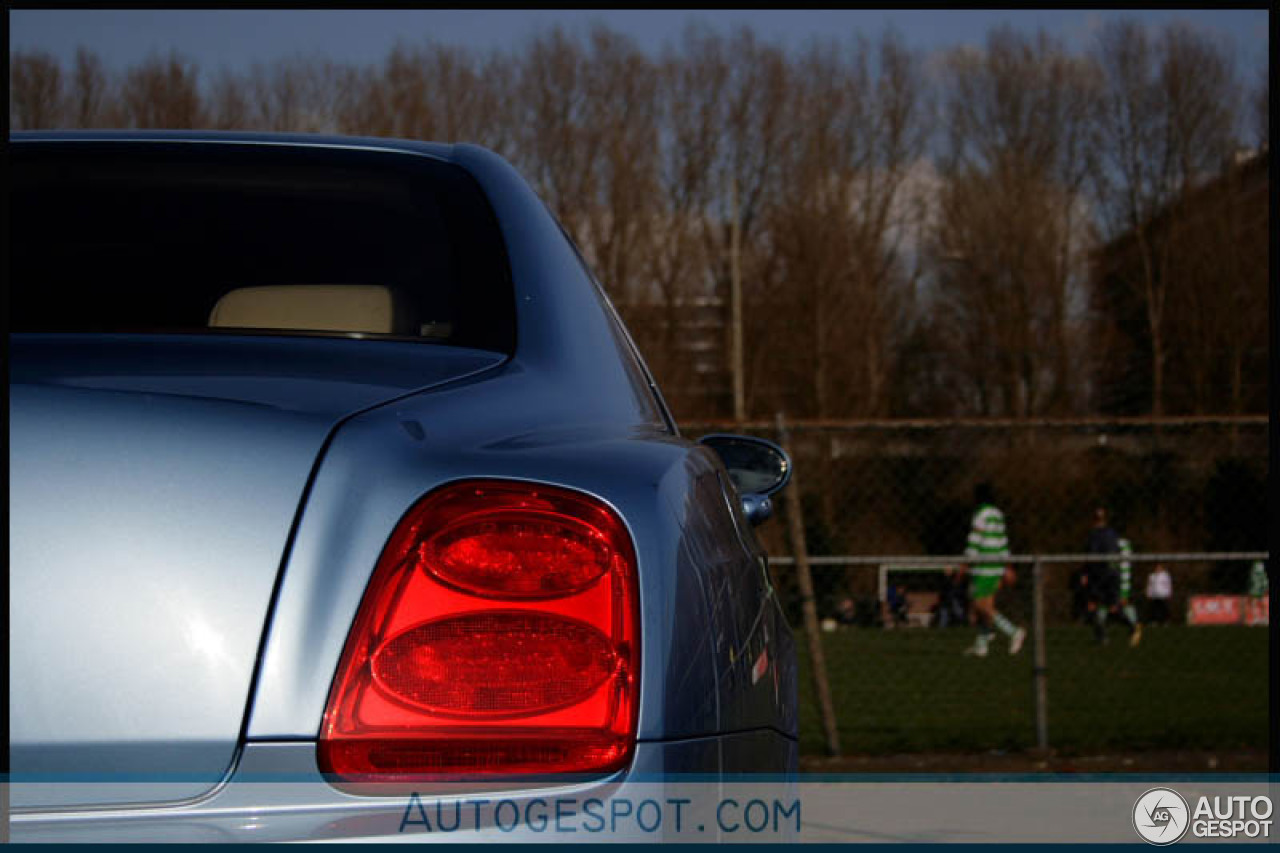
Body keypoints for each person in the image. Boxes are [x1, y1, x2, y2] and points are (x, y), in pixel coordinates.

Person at [961, 482, 1025, 656]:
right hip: (996, 564)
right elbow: (1003, 542)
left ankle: (1013, 632)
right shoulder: (998, 514)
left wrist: (966, 562)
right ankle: (981, 645)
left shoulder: (980, 514)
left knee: (978, 604)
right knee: (987, 605)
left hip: (983, 564)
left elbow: (975, 539)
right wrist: (1006, 566)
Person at [1081, 507, 1140, 645]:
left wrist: (1085, 573)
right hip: (1113, 574)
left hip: (1100, 574)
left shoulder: (1093, 535)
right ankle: (1132, 627)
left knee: (1094, 605)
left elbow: (1091, 556)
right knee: (1113, 606)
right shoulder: (1112, 534)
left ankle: (1102, 637)